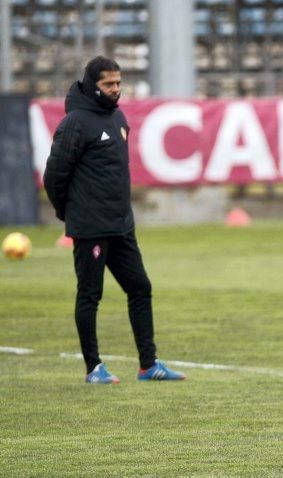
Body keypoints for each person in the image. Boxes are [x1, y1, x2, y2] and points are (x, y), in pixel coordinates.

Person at [43, 56, 186, 384]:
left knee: (140, 287)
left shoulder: (118, 117)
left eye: (119, 83)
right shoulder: (75, 123)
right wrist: (68, 212)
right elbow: (55, 176)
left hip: (121, 224)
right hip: (91, 226)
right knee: (90, 294)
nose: (116, 90)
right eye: (109, 84)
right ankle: (94, 368)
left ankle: (148, 365)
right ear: (93, 85)